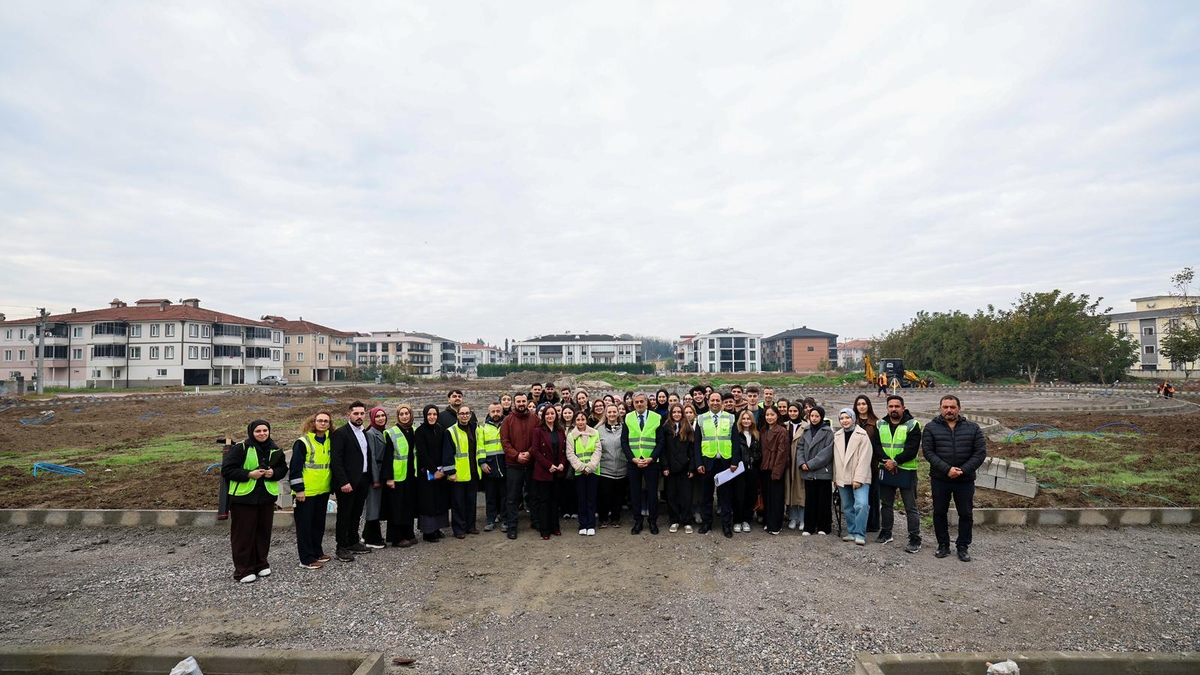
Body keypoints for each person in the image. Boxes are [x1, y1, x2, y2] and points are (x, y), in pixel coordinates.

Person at [923, 395, 987, 562]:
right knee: (939, 512)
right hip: (940, 478)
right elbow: (928, 452)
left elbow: (980, 453)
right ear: (940, 408)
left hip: (964, 480)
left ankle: (963, 546)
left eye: (952, 407)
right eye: (945, 407)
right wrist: (947, 469)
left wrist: (963, 470)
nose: (949, 410)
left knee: (965, 514)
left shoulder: (973, 428)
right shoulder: (931, 428)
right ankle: (943, 544)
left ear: (959, 408)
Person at [222, 420, 286, 583]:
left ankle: (261, 564)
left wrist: (273, 473)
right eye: (258, 431)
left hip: (266, 498)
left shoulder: (275, 448)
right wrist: (249, 474)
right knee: (243, 535)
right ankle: (243, 570)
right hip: (243, 499)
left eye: (265, 430)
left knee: (263, 533)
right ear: (251, 432)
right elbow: (227, 470)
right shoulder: (241, 448)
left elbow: (283, 469)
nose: (262, 433)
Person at [876, 395, 922, 553]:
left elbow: (912, 449)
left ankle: (914, 538)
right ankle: (886, 532)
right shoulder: (880, 424)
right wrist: (887, 462)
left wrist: (895, 462)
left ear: (903, 408)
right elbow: (876, 446)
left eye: (897, 406)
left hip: (906, 471)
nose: (893, 409)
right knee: (886, 504)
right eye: (891, 406)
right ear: (887, 408)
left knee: (910, 506)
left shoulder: (912, 425)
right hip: (886, 468)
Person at [289, 411, 333, 569]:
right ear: (313, 422)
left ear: (329, 424)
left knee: (318, 524)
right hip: (306, 492)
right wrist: (298, 490)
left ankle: (317, 552)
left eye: (326, 421)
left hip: (322, 490)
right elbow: (295, 468)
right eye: (320, 420)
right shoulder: (303, 442)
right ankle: (306, 559)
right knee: (305, 526)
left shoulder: (330, 440)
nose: (323, 423)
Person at [329, 401, 372, 562]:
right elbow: (336, 460)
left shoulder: (364, 432)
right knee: (345, 515)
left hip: (362, 480)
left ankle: (353, 541)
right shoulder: (341, 433)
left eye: (362, 413)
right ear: (349, 415)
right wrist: (343, 482)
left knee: (356, 513)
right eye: (356, 413)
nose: (359, 416)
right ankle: (341, 547)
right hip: (347, 483)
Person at [695, 391, 740, 538]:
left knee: (725, 496)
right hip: (707, 462)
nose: (715, 403)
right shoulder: (701, 418)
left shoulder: (731, 418)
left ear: (722, 402)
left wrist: (734, 461)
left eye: (717, 400)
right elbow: (697, 443)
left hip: (725, 462)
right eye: (712, 400)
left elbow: (735, 442)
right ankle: (706, 523)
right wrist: (698, 462)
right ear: (708, 402)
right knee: (706, 495)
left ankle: (726, 525)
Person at [622, 393, 664, 535]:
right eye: (636, 402)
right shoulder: (628, 417)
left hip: (651, 462)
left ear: (647, 403)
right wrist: (632, 459)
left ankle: (653, 521)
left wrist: (651, 458)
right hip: (634, 462)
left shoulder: (656, 417)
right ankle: (638, 521)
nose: (639, 404)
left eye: (641, 401)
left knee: (652, 493)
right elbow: (624, 442)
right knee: (635, 493)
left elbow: (660, 441)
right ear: (633, 403)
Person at [501, 393, 540, 540]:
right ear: (514, 403)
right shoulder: (507, 420)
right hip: (513, 465)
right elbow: (505, 442)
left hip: (531, 464)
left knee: (534, 494)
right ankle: (512, 526)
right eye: (519, 401)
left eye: (524, 401)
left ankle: (535, 521)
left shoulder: (535, 419)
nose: (521, 403)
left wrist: (529, 453)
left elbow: (537, 439)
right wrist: (516, 455)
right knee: (512, 497)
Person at [833, 408, 872, 545]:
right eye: (842, 418)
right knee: (847, 506)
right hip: (842, 477)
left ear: (853, 419)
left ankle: (860, 533)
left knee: (862, 504)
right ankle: (851, 531)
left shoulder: (862, 435)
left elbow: (865, 458)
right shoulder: (837, 435)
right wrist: (835, 478)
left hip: (859, 477)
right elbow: (835, 459)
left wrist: (858, 479)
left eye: (847, 418)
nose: (845, 421)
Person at [382, 404, 418, 548]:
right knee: (397, 507)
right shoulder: (392, 432)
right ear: (398, 416)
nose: (404, 416)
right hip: (397, 476)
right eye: (401, 414)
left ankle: (409, 533)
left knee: (409, 505)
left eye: (406, 413)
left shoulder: (414, 431)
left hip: (411, 474)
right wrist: (389, 477)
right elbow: (387, 457)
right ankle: (397, 538)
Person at [414, 404, 450, 543]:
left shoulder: (440, 429)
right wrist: (434, 470)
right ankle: (428, 532)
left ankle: (437, 528)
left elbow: (444, 449)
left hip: (440, 472)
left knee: (439, 500)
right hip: (427, 473)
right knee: (428, 502)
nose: (432, 417)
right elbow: (422, 453)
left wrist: (443, 469)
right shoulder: (420, 431)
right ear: (425, 415)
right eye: (429, 414)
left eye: (434, 414)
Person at [796, 406, 833, 536]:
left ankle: (824, 527)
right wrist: (801, 462)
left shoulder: (828, 432)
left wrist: (810, 464)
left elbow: (827, 453)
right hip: (808, 472)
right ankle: (809, 527)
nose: (814, 418)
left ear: (821, 417)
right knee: (810, 500)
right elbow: (800, 448)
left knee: (823, 500)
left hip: (822, 471)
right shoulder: (806, 430)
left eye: (817, 416)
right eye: (812, 416)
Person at [531, 405, 566, 540]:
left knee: (555, 501)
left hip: (557, 471)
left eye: (552, 413)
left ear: (556, 415)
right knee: (544, 501)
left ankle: (555, 527)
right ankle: (544, 529)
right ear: (543, 416)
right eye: (547, 414)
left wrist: (562, 463)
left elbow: (564, 450)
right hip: (544, 471)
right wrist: (548, 465)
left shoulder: (560, 430)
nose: (550, 416)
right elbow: (535, 451)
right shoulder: (538, 431)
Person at [566, 410, 601, 535]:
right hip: (579, 471)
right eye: (578, 420)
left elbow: (598, 451)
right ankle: (583, 524)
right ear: (575, 421)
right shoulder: (571, 436)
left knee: (591, 498)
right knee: (581, 499)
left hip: (593, 470)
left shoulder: (595, 433)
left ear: (586, 420)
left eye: (583, 419)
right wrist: (581, 467)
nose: (580, 422)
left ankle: (591, 524)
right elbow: (570, 454)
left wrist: (590, 467)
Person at [661, 403, 695, 533]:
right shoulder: (665, 429)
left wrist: (691, 468)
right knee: (672, 494)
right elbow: (663, 449)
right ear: (671, 414)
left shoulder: (688, 429)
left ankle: (687, 521)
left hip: (685, 467)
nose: (676, 414)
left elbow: (692, 450)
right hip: (670, 467)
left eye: (679, 412)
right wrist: (665, 466)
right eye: (674, 412)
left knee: (686, 495)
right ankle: (674, 520)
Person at [361, 407, 390, 549]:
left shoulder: (384, 432)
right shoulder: (370, 433)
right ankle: (372, 537)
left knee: (377, 505)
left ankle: (367, 534)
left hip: (383, 472)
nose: (381, 418)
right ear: (372, 418)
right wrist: (375, 479)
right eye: (377, 416)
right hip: (376, 473)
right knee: (373, 506)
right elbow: (371, 457)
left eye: (382, 415)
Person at [853, 395, 884, 534]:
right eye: (859, 404)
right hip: (855, 464)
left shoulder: (876, 423)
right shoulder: (852, 421)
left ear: (868, 405)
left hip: (872, 464)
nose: (861, 406)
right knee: (858, 497)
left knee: (873, 495)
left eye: (864, 404)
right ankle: (858, 524)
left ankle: (873, 524)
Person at [759, 406, 790, 535]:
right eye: (767, 415)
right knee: (767, 497)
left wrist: (777, 471)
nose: (769, 417)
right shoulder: (763, 430)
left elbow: (783, 453)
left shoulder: (782, 431)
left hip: (775, 468)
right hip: (764, 468)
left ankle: (776, 525)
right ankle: (767, 521)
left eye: (772, 415)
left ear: (777, 416)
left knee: (776, 498)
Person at [596, 404, 627, 528]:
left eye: (614, 412)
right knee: (605, 496)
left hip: (622, 468)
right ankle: (603, 518)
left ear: (618, 413)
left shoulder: (625, 428)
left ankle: (615, 518)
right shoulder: (599, 430)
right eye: (609, 412)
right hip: (605, 468)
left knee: (618, 497)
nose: (612, 414)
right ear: (606, 414)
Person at [478, 402, 507, 532]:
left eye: (498, 411)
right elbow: (480, 447)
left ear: (502, 412)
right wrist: (482, 463)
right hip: (489, 466)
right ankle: (490, 519)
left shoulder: (507, 424)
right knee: (490, 496)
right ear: (489, 413)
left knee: (505, 496)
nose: (496, 414)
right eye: (493, 411)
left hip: (504, 465)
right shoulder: (483, 428)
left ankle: (505, 520)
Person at [731, 409, 760, 534]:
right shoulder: (736, 434)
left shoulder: (756, 435)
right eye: (744, 418)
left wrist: (756, 458)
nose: (746, 421)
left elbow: (759, 451)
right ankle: (737, 520)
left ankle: (746, 520)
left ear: (752, 421)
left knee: (751, 495)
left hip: (753, 470)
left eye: (748, 418)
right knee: (738, 496)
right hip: (739, 470)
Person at [783, 403, 805, 530]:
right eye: (790, 411)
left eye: (795, 411)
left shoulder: (806, 426)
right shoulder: (785, 425)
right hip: (788, 463)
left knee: (801, 491)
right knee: (789, 490)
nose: (792, 413)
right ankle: (792, 517)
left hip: (800, 462)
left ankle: (802, 518)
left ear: (800, 412)